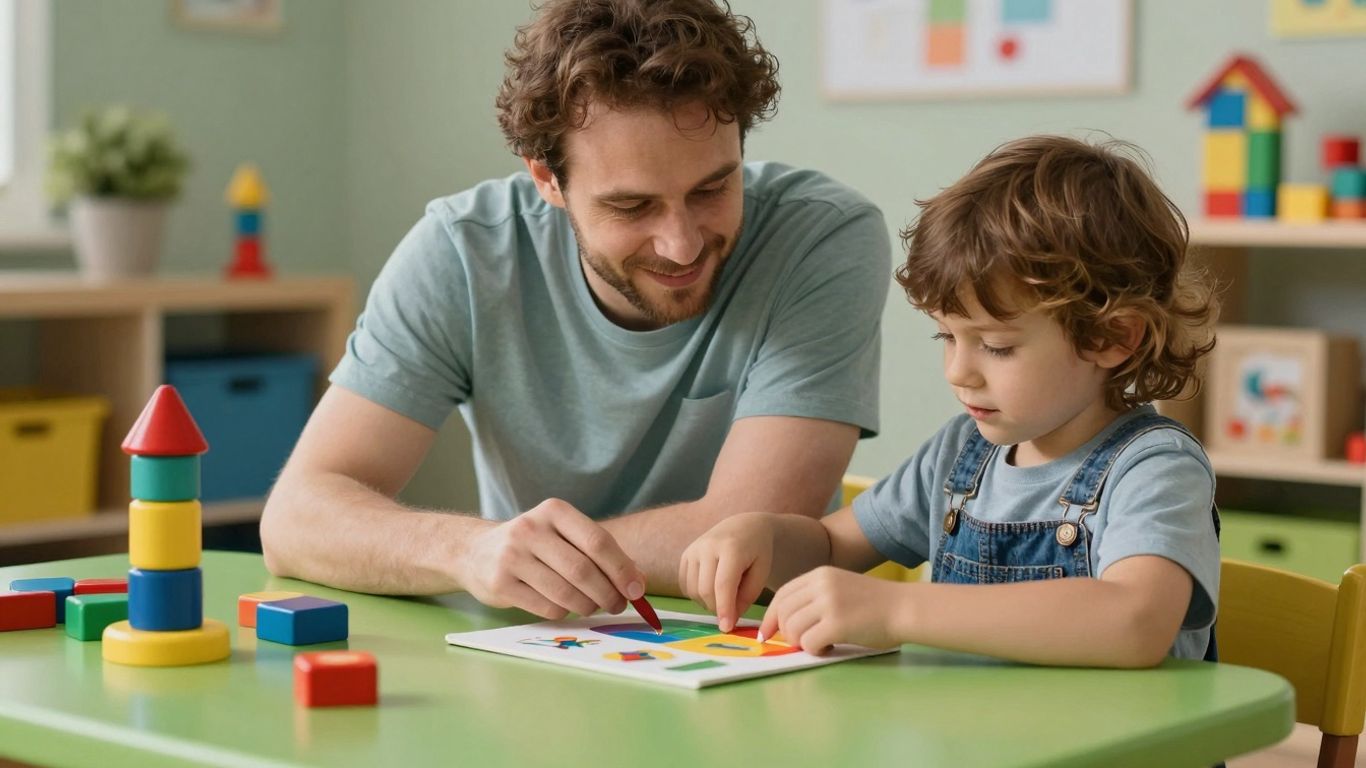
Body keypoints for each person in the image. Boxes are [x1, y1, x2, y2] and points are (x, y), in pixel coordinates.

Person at [260, 0, 891, 621]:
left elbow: (743, 539)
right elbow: (296, 518)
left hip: (757, 650)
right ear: (547, 179)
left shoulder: (823, 238)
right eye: (632, 207)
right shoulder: (464, 251)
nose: (683, 244)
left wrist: (535, 559)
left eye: (712, 188)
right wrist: (471, 550)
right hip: (540, 653)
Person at [680, 135, 1222, 668]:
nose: (959, 372)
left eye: (996, 346)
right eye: (948, 337)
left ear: (1111, 338)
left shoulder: (1153, 468)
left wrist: (899, 609)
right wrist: (762, 537)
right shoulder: (962, 455)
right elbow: (828, 545)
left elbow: (1135, 621)